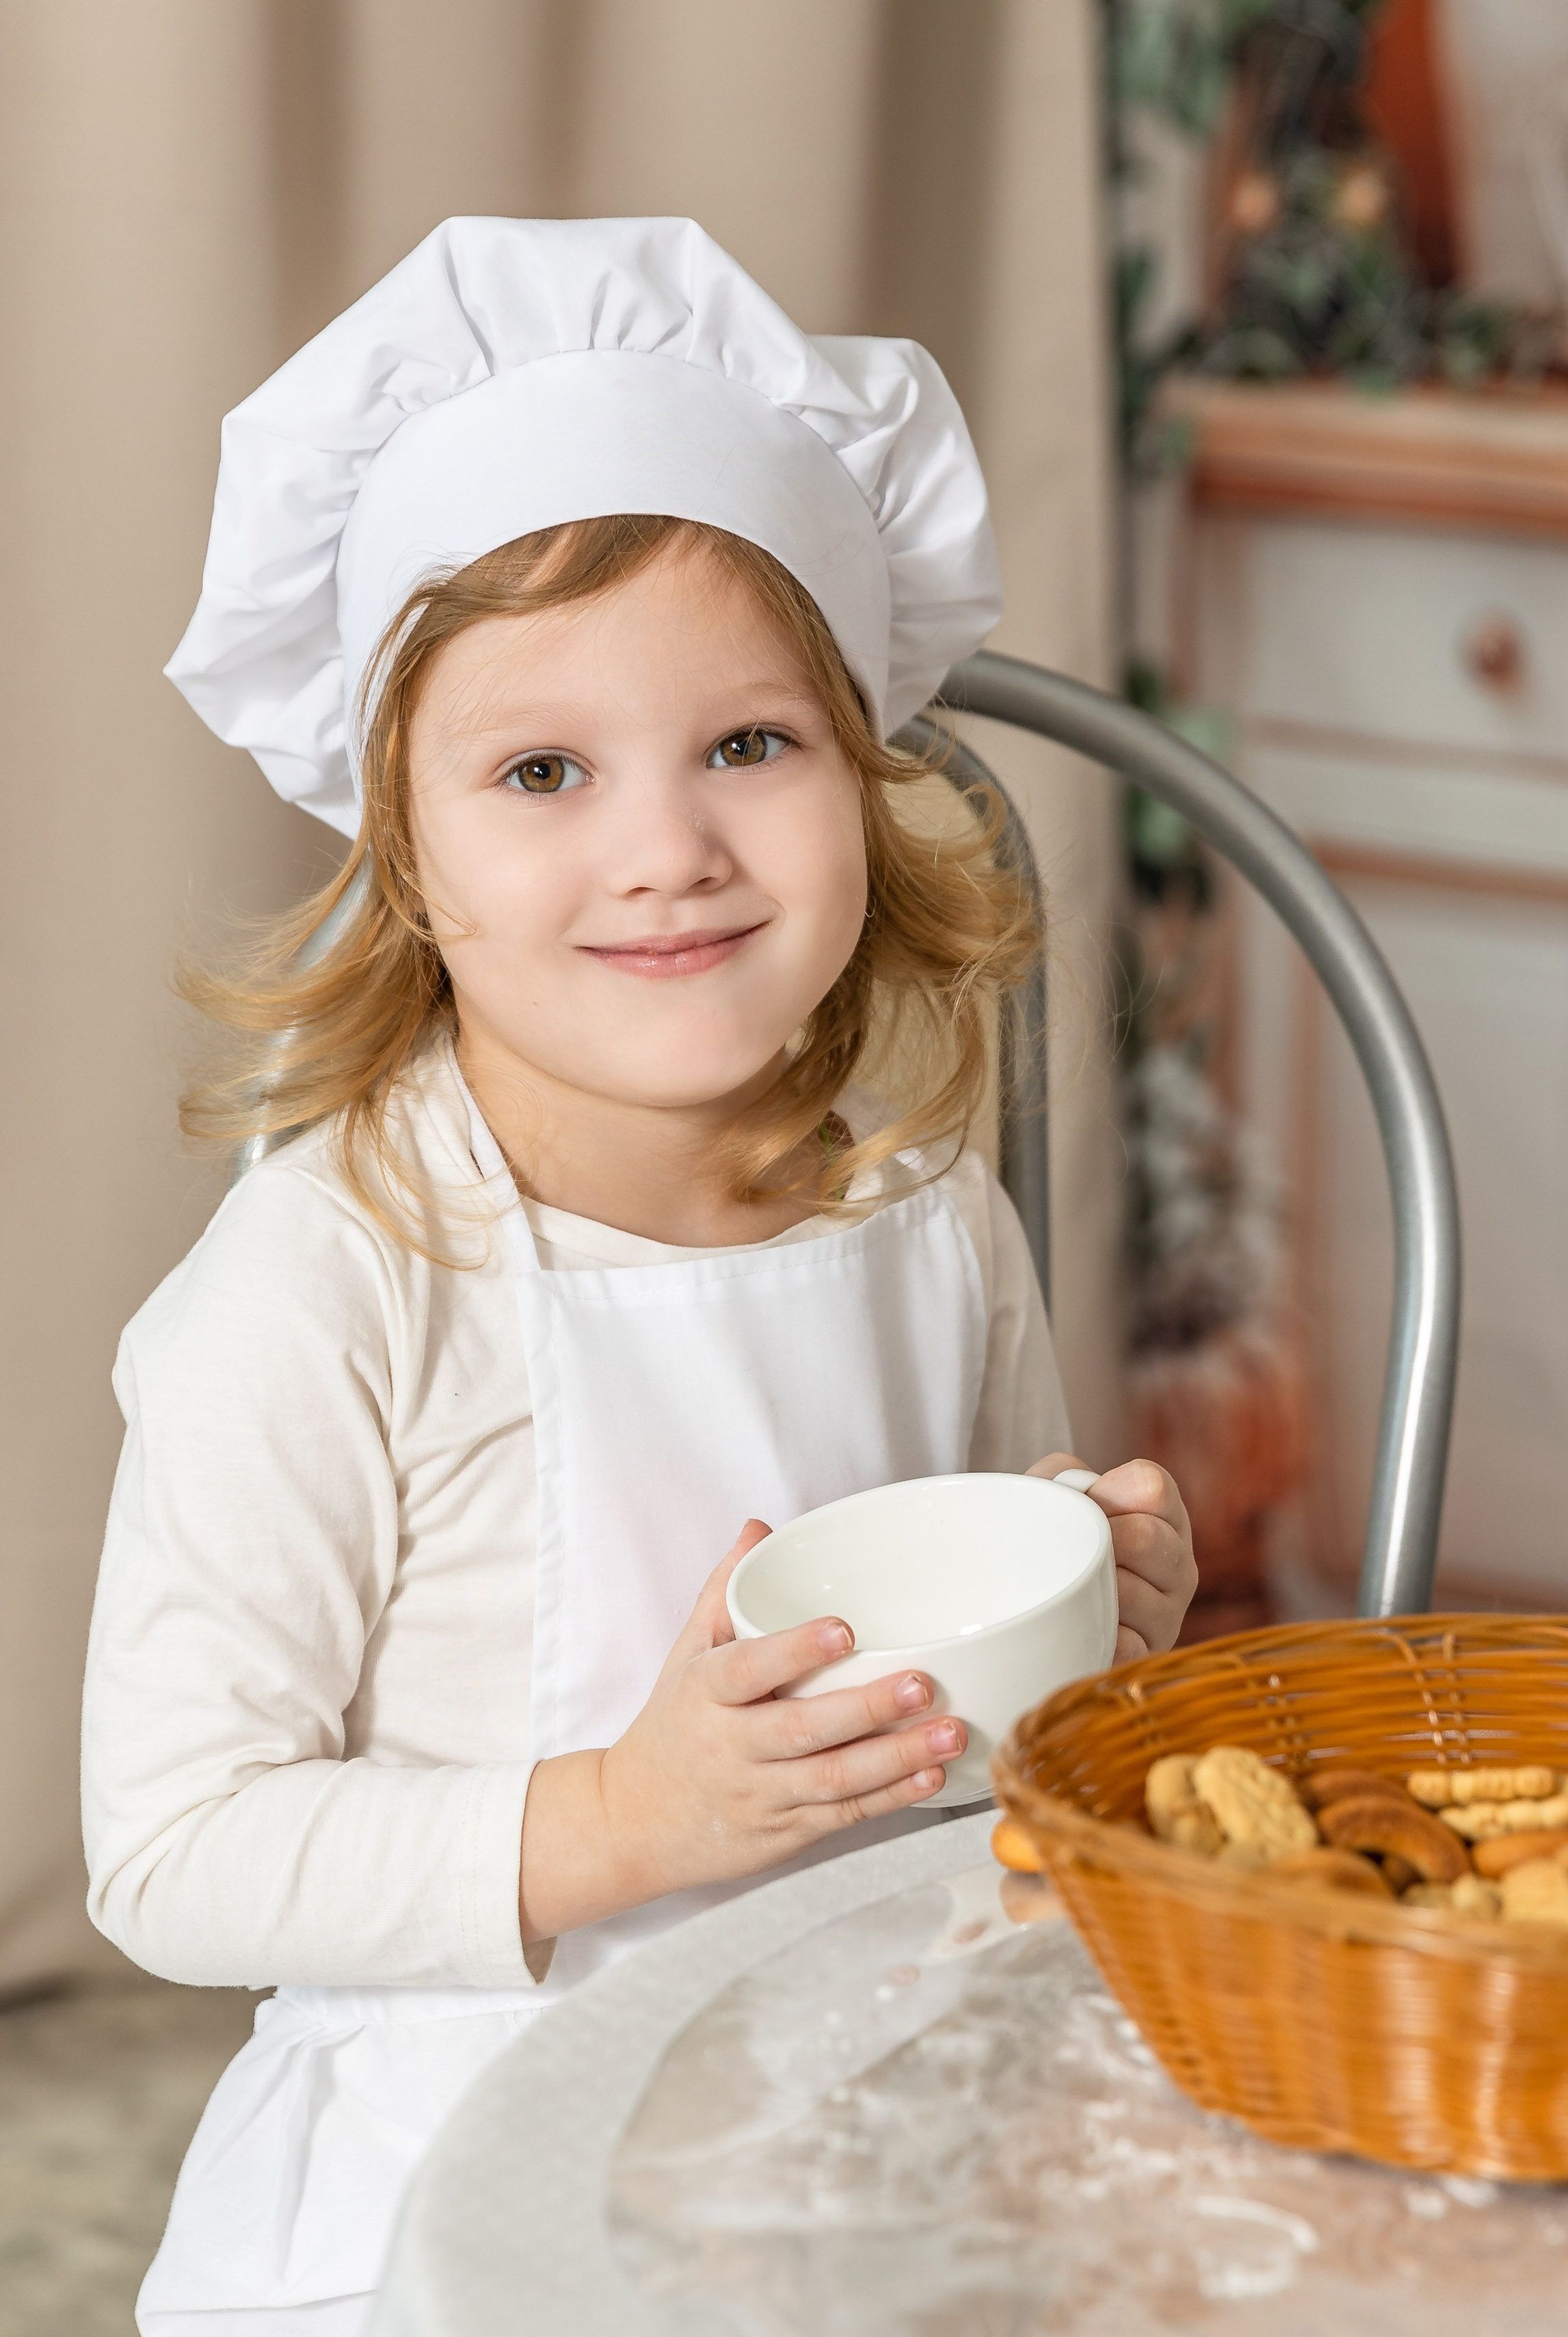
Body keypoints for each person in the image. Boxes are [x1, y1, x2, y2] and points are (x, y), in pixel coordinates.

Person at [81, 216, 1197, 2334]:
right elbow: (173, 1843)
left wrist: (1096, 1623)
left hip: (859, 2138)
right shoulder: (332, 1275)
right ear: (406, 852)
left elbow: (976, 1699)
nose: (668, 844)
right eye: (542, 772)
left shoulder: (920, 1210)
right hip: (464, 2195)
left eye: (751, 746)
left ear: (864, 766)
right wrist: (625, 1812)